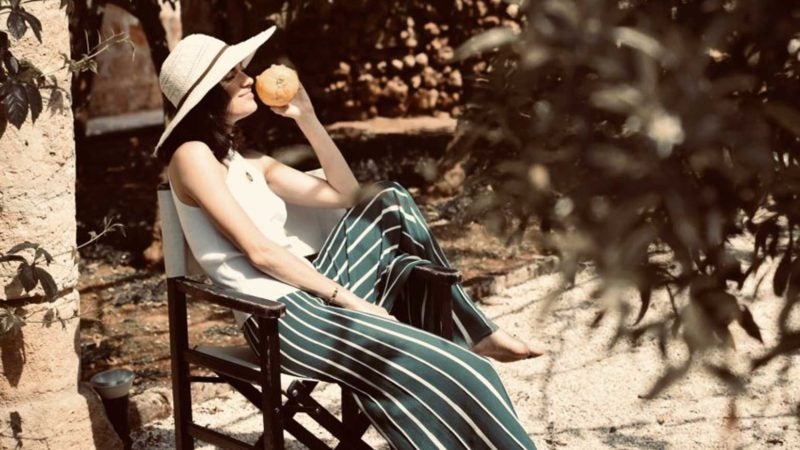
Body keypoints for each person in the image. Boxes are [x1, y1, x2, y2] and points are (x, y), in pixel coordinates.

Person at [154, 25, 541, 450]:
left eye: (241, 69)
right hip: (279, 318)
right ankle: (467, 335)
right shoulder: (190, 156)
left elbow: (349, 195)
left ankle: (469, 334)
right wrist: (351, 299)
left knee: (389, 198)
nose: (248, 78)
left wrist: (307, 118)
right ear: (205, 97)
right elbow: (259, 252)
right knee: (466, 370)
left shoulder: (248, 162)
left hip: (311, 297)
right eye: (232, 76)